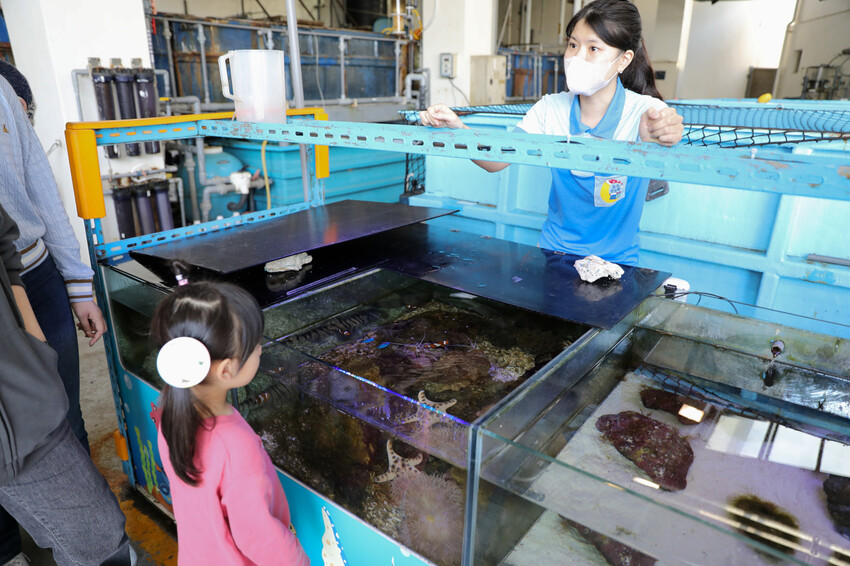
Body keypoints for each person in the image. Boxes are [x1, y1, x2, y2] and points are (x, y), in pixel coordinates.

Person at [420, 0, 684, 266]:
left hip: (618, 262)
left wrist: (661, 136)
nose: (577, 57)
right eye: (573, 45)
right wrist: (458, 129)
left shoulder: (644, 112)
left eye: (593, 48)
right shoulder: (550, 109)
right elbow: (495, 160)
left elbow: (666, 132)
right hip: (555, 252)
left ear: (623, 60)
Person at [0, 200, 133, 565]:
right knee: (97, 536)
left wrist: (35, 345)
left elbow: (4, 242)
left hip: (19, 391)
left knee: (99, 533)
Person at [152, 279, 310, 565]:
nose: (260, 349)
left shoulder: (169, 415)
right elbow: (259, 537)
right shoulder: (235, 448)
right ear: (226, 370)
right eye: (255, 344)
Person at [0, 59, 105, 453]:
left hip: (37, 272)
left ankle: (85, 487)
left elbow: (41, 185)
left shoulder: (3, 90)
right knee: (20, 434)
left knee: (67, 413)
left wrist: (78, 286)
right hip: (4, 294)